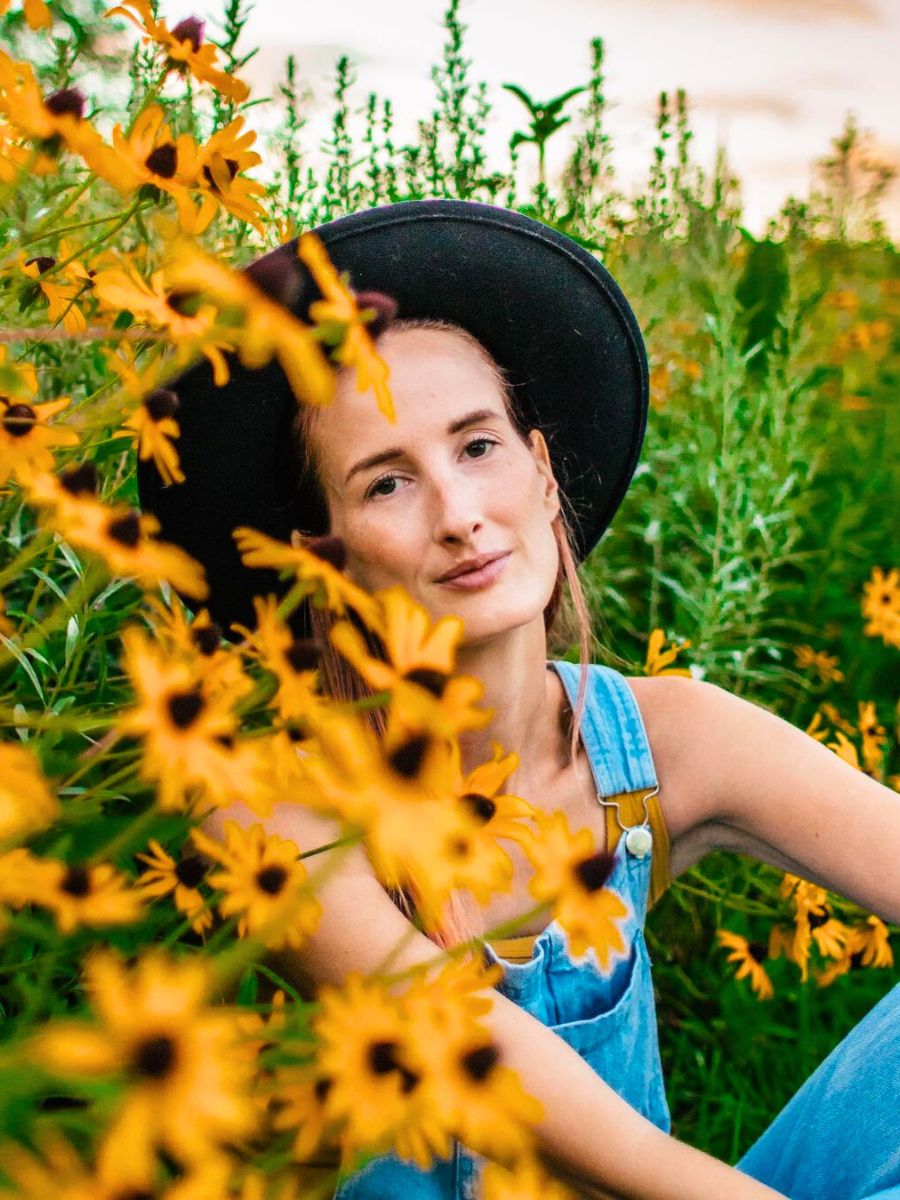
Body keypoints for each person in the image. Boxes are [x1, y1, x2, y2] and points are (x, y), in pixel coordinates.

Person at [138, 199, 900, 1200]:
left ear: (541, 475)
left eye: (478, 446)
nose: (460, 515)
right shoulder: (275, 813)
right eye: (384, 485)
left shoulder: (667, 741)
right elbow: (494, 1060)